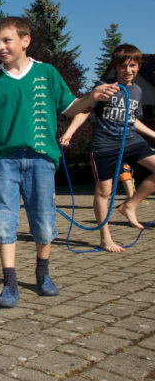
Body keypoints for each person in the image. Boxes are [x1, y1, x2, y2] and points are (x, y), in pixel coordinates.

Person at [0, 16, 119, 308]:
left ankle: (42, 274)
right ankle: (9, 283)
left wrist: (92, 96)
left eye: (6, 40)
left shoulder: (47, 73)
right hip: (4, 160)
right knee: (4, 220)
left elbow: (71, 108)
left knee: (43, 223)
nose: (0, 47)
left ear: (25, 41)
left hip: (41, 159)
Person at [59, 44, 155, 252]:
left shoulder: (137, 90)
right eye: (123, 66)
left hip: (131, 140)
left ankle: (130, 205)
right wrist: (69, 132)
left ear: (138, 66)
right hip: (105, 145)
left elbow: (133, 120)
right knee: (105, 191)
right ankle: (105, 238)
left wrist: (153, 134)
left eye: (133, 66)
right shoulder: (104, 86)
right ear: (115, 67)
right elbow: (84, 111)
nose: (128, 70)